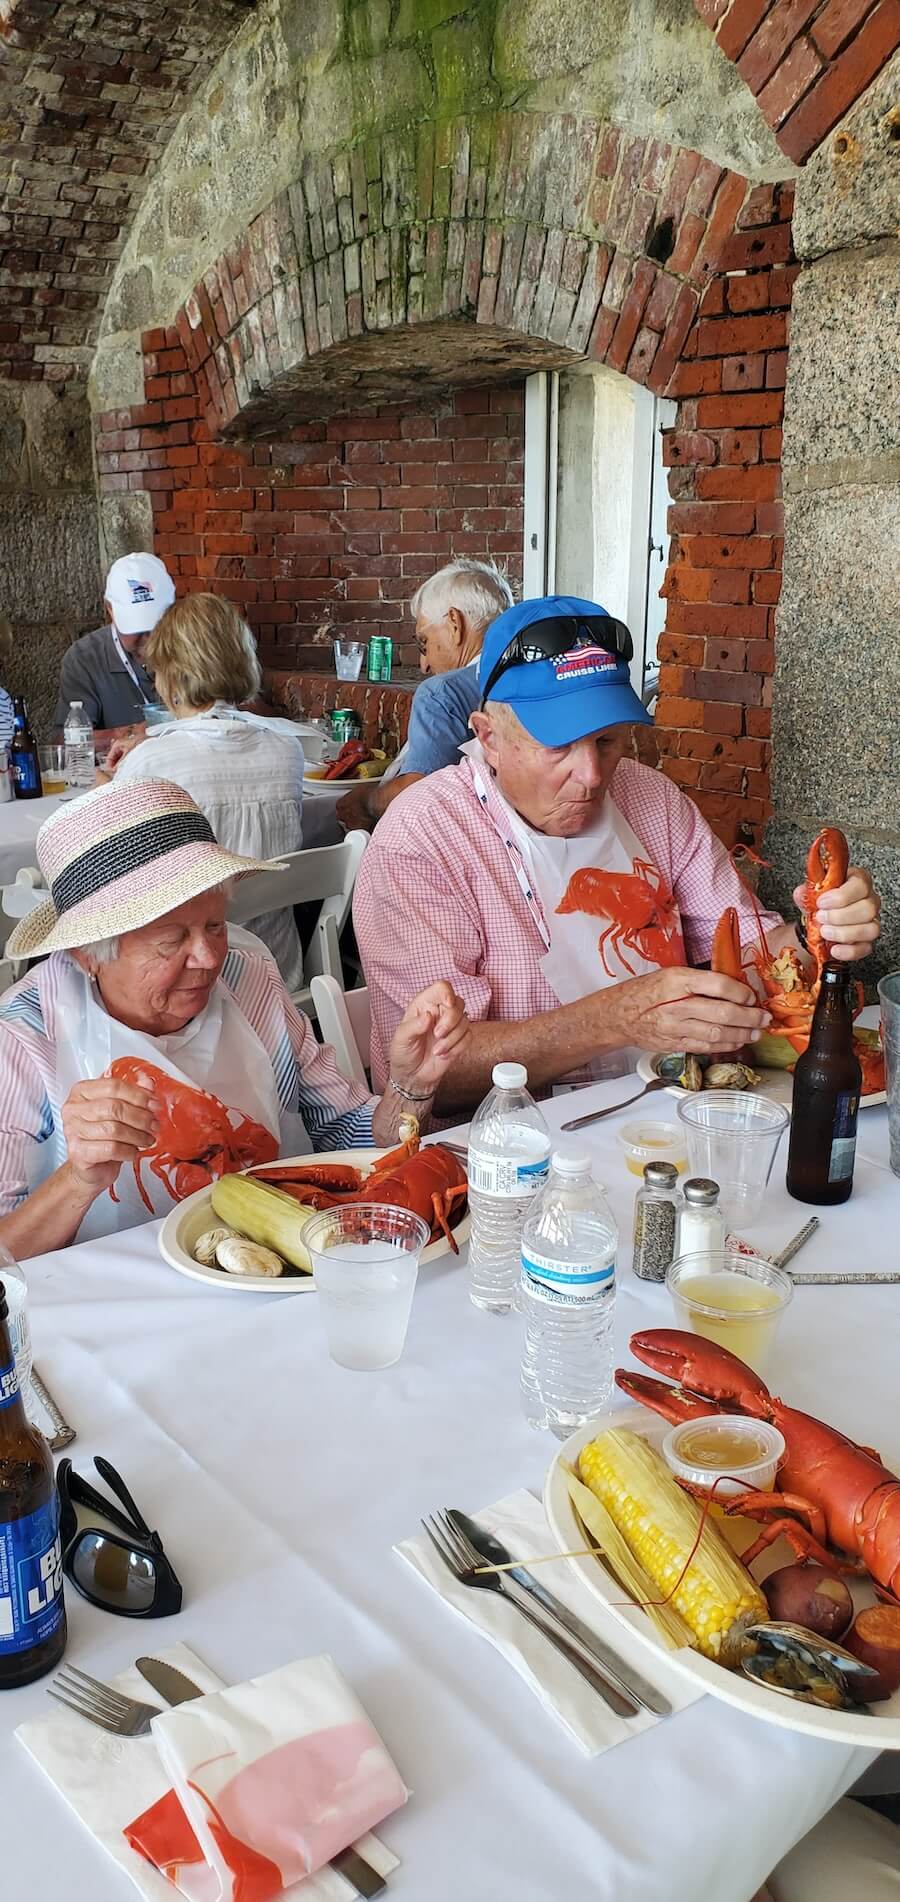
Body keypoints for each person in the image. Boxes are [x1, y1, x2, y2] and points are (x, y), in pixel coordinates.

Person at [354, 594, 881, 1113]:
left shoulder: (649, 797)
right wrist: (618, 1017)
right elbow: (436, 1074)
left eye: (606, 740)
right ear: (488, 738)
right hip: (509, 1150)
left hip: (672, 1109)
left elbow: (754, 950)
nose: (592, 776)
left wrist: (820, 933)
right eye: (558, 746)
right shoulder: (421, 838)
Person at [0, 778, 468, 1254]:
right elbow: (4, 1252)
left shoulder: (249, 979)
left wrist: (410, 1086)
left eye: (215, 925)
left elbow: (350, 1132)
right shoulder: (24, 1034)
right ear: (87, 953)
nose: (208, 957)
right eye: (171, 940)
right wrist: (78, 1180)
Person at [107, 593, 307, 990]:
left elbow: (119, 881)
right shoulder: (288, 750)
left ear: (171, 672)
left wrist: (107, 787)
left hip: (193, 979)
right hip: (278, 970)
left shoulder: (152, 762)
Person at [335, 559, 513, 834]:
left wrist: (368, 802)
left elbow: (418, 792)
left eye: (424, 642)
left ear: (454, 623)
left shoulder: (443, 692)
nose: (423, 664)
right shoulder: (529, 679)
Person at [54, 552, 175, 730]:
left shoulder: (195, 646)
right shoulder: (84, 658)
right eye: (137, 627)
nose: (149, 637)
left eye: (157, 623)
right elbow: (66, 741)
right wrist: (137, 733)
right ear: (110, 610)